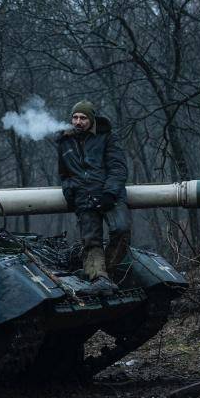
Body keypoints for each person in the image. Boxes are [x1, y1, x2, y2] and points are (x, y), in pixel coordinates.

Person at [56, 100, 130, 293]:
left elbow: (118, 168)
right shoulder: (65, 142)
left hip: (109, 195)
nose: (78, 121)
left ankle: (108, 273)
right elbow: (64, 175)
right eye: (75, 117)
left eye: (83, 117)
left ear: (92, 119)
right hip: (83, 198)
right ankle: (98, 278)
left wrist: (109, 193)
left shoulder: (107, 137)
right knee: (91, 242)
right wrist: (69, 190)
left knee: (121, 230)